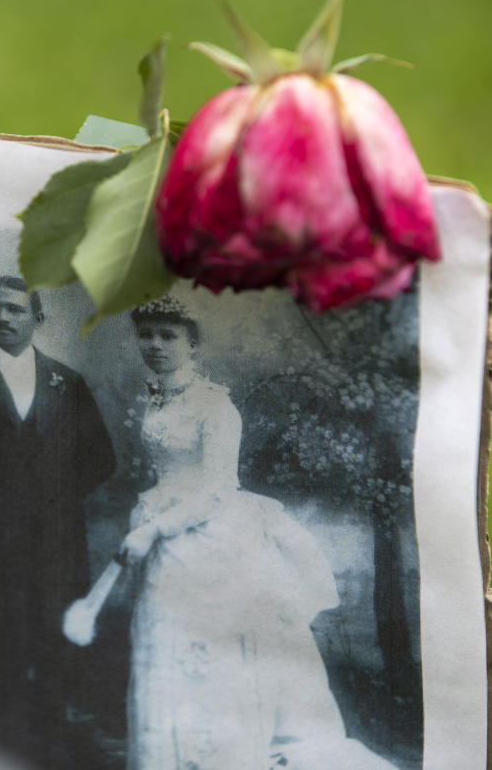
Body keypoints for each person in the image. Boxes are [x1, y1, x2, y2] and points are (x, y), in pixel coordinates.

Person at [118, 296, 393, 770]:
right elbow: (167, 471)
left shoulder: (216, 407)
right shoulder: (156, 397)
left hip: (211, 539)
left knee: (213, 652)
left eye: (169, 336)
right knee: (164, 641)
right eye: (148, 335)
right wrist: (147, 517)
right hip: (163, 536)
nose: (156, 345)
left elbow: (217, 489)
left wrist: (153, 529)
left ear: (193, 343)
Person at [0, 275, 115, 767]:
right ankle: (2, 753)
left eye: (14, 309)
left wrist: (52, 494)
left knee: (55, 650)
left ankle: (52, 750)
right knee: (0, 649)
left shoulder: (66, 380)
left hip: (58, 543)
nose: (2, 318)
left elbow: (102, 458)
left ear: (38, 317)